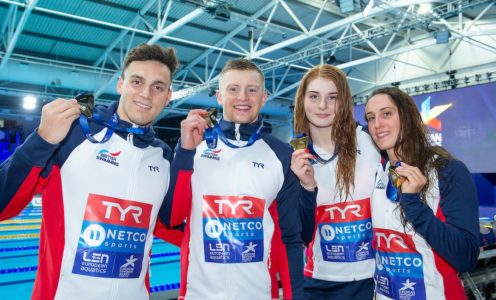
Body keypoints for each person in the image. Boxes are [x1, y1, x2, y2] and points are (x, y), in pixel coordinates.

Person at [0, 43, 183, 300]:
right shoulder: (73, 134)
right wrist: (41, 141)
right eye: (137, 82)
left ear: (168, 96)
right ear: (121, 84)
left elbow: (166, 225)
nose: (146, 94)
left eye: (158, 87)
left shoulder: (163, 156)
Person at [159, 58, 316, 299]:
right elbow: (172, 217)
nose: (242, 97)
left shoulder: (281, 155)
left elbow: (290, 238)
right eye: (233, 89)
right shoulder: (195, 146)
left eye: (251, 90)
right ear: (220, 96)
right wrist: (185, 152)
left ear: (263, 98)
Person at [364, 87, 479, 299]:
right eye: (371, 118)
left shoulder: (447, 171)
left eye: (386, 113)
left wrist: (414, 204)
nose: (377, 124)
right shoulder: (376, 173)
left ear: (407, 117)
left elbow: (466, 257)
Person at [290, 64, 380, 299]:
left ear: (345, 102)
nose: (322, 106)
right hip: (321, 283)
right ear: (302, 101)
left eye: (333, 97)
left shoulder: (371, 141)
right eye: (314, 96)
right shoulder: (295, 158)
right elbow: (302, 235)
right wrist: (308, 188)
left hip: (375, 278)